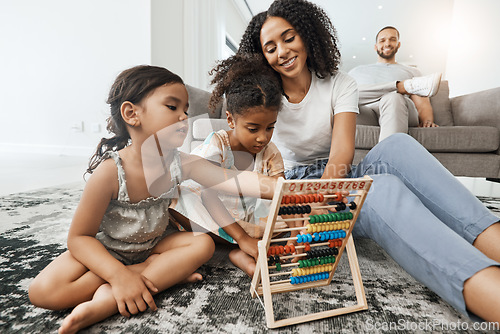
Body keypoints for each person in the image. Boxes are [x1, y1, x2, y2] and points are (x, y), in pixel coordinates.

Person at [238, 0, 500, 323]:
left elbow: (341, 154)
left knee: (397, 146)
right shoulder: (264, 94)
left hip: (338, 172)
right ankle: (488, 292)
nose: (282, 51)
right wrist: (319, 204)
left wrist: (334, 190)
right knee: (380, 191)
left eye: (288, 37)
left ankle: (494, 241)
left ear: (306, 35)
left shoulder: (339, 83)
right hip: (296, 187)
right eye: (270, 47)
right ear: (262, 56)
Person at [28, 65, 277, 334]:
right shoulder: (110, 173)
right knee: (43, 292)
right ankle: (153, 276)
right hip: (111, 248)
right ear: (131, 114)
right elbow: (79, 238)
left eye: (185, 109)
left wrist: (282, 186)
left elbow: (233, 180)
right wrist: (117, 274)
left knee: (202, 244)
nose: (184, 116)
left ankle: (110, 299)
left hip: (156, 244)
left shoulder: (181, 163)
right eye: (172, 107)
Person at [172, 54, 289, 277]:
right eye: (253, 129)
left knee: (286, 218)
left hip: (250, 216)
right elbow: (208, 195)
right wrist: (243, 238)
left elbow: (280, 192)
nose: (262, 138)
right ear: (231, 120)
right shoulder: (218, 144)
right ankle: (237, 248)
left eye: (270, 127)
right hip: (217, 211)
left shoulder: (270, 151)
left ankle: (236, 250)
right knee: (180, 198)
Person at [348, 26, 441, 141]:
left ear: (398, 44)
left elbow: (422, 103)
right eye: (382, 40)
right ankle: (401, 86)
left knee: (393, 97)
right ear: (375, 46)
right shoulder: (357, 71)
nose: (387, 43)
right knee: (347, 94)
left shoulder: (412, 71)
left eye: (392, 39)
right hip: (367, 113)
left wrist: (427, 121)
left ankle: (388, 158)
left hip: (398, 110)